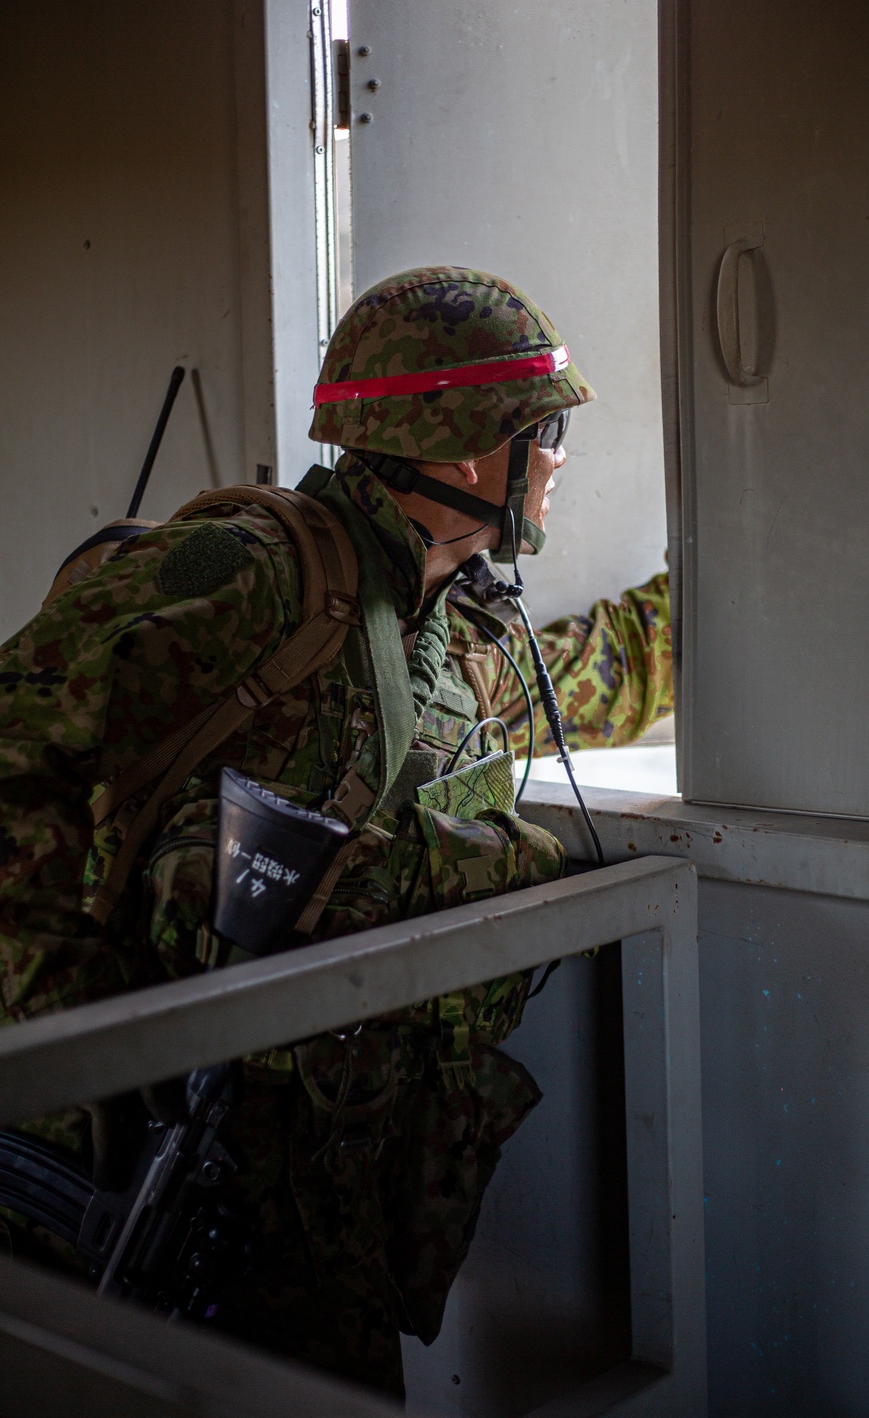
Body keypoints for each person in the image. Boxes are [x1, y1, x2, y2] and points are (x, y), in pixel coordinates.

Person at [0, 266, 672, 1393]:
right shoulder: (245, 576)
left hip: (314, 1187)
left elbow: (589, 676)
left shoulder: (449, 631)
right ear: (467, 453)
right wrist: (513, 860)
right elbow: (93, 797)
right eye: (544, 430)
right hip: (146, 1146)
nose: (558, 458)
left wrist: (721, 592)